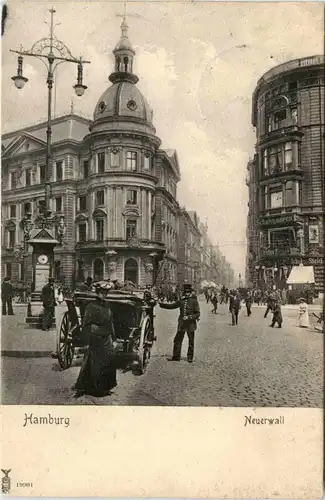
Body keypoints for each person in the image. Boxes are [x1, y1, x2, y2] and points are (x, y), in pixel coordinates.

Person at [74, 284, 117, 397]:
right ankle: (94, 388)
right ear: (97, 293)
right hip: (96, 337)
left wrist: (114, 338)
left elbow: (110, 322)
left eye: (106, 293)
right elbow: (86, 323)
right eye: (102, 292)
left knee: (109, 359)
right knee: (96, 363)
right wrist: (88, 338)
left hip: (106, 336)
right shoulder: (91, 306)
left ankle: (105, 387)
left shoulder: (107, 305)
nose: (104, 294)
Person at [159, 283, 200, 363]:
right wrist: (162, 305)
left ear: (191, 292)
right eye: (185, 292)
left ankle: (190, 357)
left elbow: (197, 313)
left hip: (190, 324)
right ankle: (176, 357)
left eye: (188, 292)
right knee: (177, 340)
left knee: (191, 341)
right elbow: (172, 306)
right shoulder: (182, 300)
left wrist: (189, 317)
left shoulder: (194, 301)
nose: (187, 293)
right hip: (182, 324)